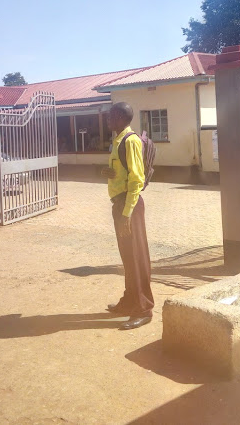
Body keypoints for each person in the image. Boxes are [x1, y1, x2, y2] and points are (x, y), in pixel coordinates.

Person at [100, 102, 154, 330]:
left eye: (111, 116)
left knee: (137, 257)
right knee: (127, 256)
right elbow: (124, 172)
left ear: (121, 117)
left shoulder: (129, 141)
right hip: (120, 203)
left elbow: (137, 180)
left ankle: (144, 309)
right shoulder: (118, 141)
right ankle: (130, 300)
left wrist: (127, 213)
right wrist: (108, 173)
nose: (108, 120)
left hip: (129, 206)